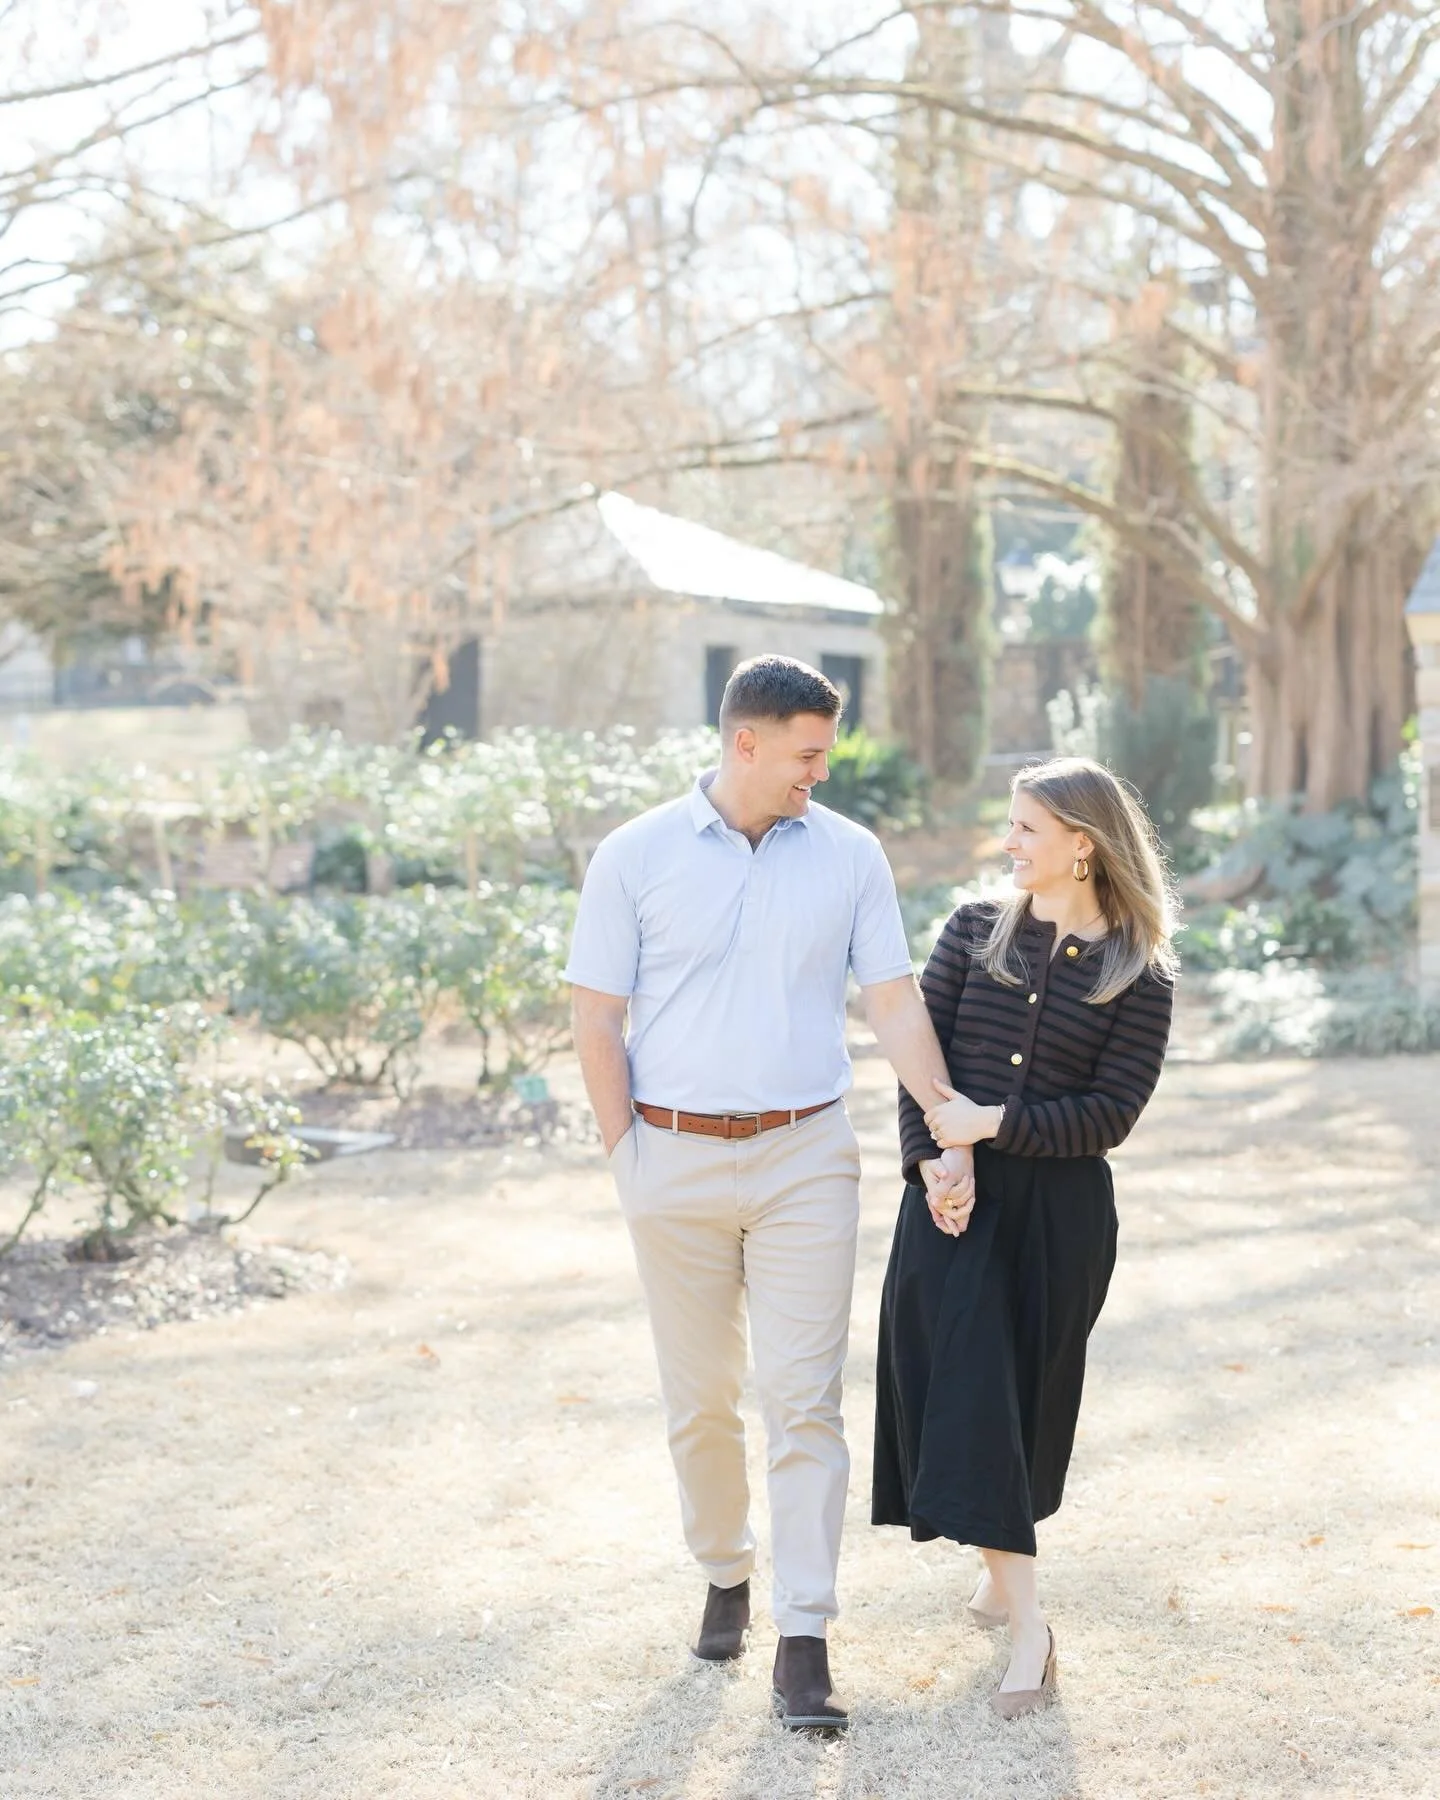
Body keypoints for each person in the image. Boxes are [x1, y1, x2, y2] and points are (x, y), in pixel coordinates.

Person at [565, 655, 971, 1732]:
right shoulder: (636, 855)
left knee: (802, 1398)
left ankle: (804, 1636)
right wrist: (627, 1158)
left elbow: (890, 998)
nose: (820, 774)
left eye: (824, 754)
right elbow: (596, 1016)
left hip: (805, 1157)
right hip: (672, 1160)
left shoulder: (848, 855)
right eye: (805, 754)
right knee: (699, 1399)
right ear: (744, 742)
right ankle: (724, 1569)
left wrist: (945, 1125)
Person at [872, 756, 1177, 1718]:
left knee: (1021, 1402)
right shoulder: (971, 931)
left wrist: (990, 1126)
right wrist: (935, 1158)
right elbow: (924, 1064)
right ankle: (1025, 1614)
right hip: (952, 1202)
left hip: (1059, 1219)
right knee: (958, 1391)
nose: (1008, 842)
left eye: (1026, 829)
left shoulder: (1141, 971)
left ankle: (1011, 1590)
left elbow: (1110, 1115)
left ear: (1081, 845)